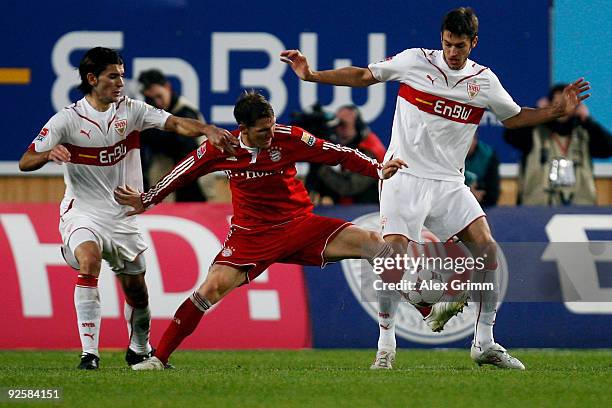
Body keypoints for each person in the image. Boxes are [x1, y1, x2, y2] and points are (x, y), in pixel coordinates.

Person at [281, 6, 590, 370]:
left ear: (474, 43)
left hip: (448, 182)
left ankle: (484, 342)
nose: (452, 52)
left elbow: (515, 117)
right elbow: (365, 75)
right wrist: (312, 75)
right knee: (392, 256)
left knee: (487, 249)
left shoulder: (484, 82)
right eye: (447, 44)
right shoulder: (415, 61)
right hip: (404, 176)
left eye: (460, 46)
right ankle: (385, 344)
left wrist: (555, 112)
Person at [113, 91, 407, 370]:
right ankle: (159, 358)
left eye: (272, 126)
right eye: (263, 130)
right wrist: (147, 199)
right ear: (243, 128)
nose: (270, 134)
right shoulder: (222, 148)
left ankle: (413, 318)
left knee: (374, 243)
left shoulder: (288, 137)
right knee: (209, 289)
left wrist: (377, 169)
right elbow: (183, 172)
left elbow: (336, 153)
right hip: (250, 235)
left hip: (299, 225)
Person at [18, 47, 236, 370]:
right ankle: (89, 354)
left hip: (122, 217)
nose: (120, 82)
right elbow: (25, 161)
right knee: (89, 261)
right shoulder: (68, 119)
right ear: (92, 79)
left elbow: (174, 123)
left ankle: (138, 347)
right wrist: (49, 153)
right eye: (112, 76)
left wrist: (206, 129)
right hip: (83, 211)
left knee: (138, 292)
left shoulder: (131, 111)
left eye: (122, 74)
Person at [503, 84, 612, 205]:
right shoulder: (533, 132)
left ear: (576, 107)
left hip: (580, 209)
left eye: (567, 105)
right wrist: (537, 113)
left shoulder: (585, 133)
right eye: (557, 104)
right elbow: (510, 137)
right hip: (536, 209)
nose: (562, 109)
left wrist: (588, 120)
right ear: (549, 105)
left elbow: (608, 148)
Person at [138, 69, 208, 202]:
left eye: (159, 96)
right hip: (167, 168)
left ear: (167, 87)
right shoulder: (147, 113)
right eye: (151, 99)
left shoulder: (186, 111)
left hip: (195, 170)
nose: (157, 102)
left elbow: (186, 150)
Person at [305, 105, 387, 204]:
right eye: (337, 125)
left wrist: (320, 167)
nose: (339, 130)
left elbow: (349, 188)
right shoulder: (350, 146)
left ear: (358, 126)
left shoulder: (370, 150)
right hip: (353, 210)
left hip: (370, 211)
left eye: (344, 125)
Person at [465, 132, 500, 207]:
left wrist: (476, 196)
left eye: (469, 139)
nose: (465, 145)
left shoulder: (488, 155)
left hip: (482, 205)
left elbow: (493, 194)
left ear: (475, 139)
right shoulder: (447, 155)